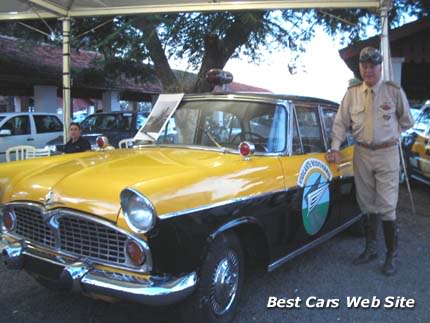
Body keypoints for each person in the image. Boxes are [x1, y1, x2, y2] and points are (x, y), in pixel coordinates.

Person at [326, 46, 414, 276]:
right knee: (366, 203)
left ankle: (391, 255)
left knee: (386, 205)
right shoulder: (352, 93)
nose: (368, 69)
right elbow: (340, 123)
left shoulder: (393, 91)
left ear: (380, 67)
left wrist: (388, 134)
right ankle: (371, 249)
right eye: (364, 65)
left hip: (387, 153)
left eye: (372, 65)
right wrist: (335, 148)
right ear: (360, 68)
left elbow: (407, 121)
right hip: (362, 153)